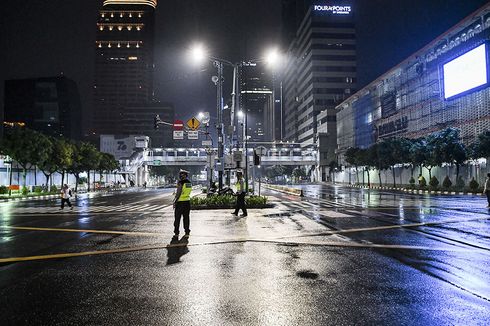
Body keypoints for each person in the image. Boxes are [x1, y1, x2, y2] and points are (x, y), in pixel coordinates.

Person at [173, 169, 192, 237]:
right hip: (187, 202)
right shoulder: (189, 183)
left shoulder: (180, 183)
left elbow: (178, 193)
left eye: (181, 175)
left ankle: (176, 232)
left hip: (180, 203)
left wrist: (175, 201)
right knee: (186, 218)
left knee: (177, 218)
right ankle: (187, 232)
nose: (180, 176)